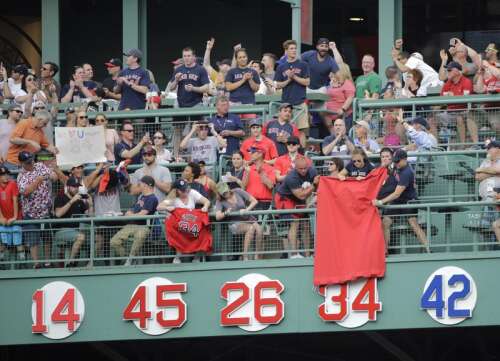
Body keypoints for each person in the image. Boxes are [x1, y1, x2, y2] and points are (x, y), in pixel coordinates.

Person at [373, 149, 430, 253]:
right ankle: (385, 251)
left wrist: (381, 202)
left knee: (413, 223)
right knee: (385, 222)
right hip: (398, 201)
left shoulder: (407, 172)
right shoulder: (396, 166)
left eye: (398, 161)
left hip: (409, 201)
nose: (396, 163)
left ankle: (428, 249)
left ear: (405, 159)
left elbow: (396, 193)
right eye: (395, 161)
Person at [17, 151, 64, 268]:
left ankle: (47, 262)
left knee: (47, 238)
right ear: (22, 163)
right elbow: (25, 192)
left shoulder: (40, 166)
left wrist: (53, 173)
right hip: (31, 214)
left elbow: (53, 177)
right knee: (33, 240)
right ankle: (36, 263)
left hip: (45, 212)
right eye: (28, 162)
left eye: (32, 160)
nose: (31, 163)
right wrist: (37, 180)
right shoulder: (21, 176)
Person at [275, 156, 319, 258]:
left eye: (305, 168)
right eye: (300, 169)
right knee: (294, 222)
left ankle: (308, 255)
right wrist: (313, 185)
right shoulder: (291, 177)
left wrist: (313, 199)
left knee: (306, 224)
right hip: (285, 198)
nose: (303, 171)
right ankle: (294, 254)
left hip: (299, 199)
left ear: (308, 166)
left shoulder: (312, 171)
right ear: (296, 168)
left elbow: (318, 185)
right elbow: (301, 195)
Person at [157, 178, 210, 264]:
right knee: (177, 229)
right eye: (183, 190)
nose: (186, 191)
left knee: (203, 230)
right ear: (177, 191)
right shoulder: (172, 197)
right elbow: (159, 207)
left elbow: (206, 201)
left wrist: (205, 207)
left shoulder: (192, 192)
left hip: (193, 223)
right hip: (180, 225)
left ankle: (197, 257)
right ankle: (178, 256)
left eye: (186, 189)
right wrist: (167, 207)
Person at [110, 175, 158, 266]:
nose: (139, 185)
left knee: (139, 237)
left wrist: (131, 215)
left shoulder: (152, 198)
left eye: (141, 183)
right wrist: (130, 213)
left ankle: (130, 259)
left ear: (146, 185)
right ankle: (128, 258)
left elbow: (143, 214)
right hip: (132, 225)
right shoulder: (141, 197)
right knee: (114, 241)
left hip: (144, 226)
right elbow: (131, 210)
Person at [274, 40, 311, 145]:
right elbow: (277, 85)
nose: (294, 50)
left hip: (300, 101)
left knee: (302, 131)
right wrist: (288, 80)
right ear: (286, 51)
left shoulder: (303, 65)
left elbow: (307, 82)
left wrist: (294, 76)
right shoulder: (281, 67)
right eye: (291, 48)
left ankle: (302, 153)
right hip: (286, 104)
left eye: (295, 48)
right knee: (286, 130)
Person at [215, 182, 261, 260]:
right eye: (223, 193)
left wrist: (246, 210)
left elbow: (254, 201)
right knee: (250, 228)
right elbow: (217, 216)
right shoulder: (219, 201)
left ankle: (257, 256)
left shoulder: (238, 191)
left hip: (248, 218)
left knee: (259, 231)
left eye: (226, 191)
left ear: (228, 189)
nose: (225, 194)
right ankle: (245, 257)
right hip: (234, 223)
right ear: (219, 194)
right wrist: (225, 213)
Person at [53, 176, 92, 267]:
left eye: (77, 187)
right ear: (68, 187)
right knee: (81, 237)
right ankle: (70, 262)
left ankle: (85, 265)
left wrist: (90, 205)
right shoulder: (60, 197)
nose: (76, 189)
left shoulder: (79, 200)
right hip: (61, 231)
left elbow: (90, 216)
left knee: (91, 240)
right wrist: (71, 201)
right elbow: (58, 214)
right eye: (74, 186)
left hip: (75, 231)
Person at [440, 61, 478, 145]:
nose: (447, 72)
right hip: (450, 112)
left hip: (464, 111)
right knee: (432, 119)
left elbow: (465, 99)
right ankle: (435, 148)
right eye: (447, 70)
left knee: (459, 118)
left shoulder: (466, 81)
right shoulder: (448, 82)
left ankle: (463, 145)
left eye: (450, 70)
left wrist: (452, 96)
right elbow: (442, 98)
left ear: (458, 71)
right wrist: (452, 97)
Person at [376, 147, 398, 252]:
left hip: (392, 204)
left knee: (385, 222)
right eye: (383, 157)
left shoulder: (397, 170)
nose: (385, 159)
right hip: (377, 204)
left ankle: (385, 250)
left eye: (387, 156)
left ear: (392, 158)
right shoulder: (376, 170)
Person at [242, 145, 276, 209]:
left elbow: (270, 186)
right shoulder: (248, 169)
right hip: (250, 202)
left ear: (260, 154)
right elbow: (243, 186)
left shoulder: (270, 169)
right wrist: (247, 173)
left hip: (264, 203)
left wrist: (261, 172)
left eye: (253, 152)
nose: (250, 154)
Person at [0, 166, 23, 262]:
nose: (6, 176)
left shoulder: (13, 183)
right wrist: (1, 218)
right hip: (4, 219)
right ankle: (2, 262)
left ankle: (23, 262)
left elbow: (15, 201)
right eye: (2, 175)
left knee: (18, 241)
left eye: (7, 174)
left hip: (15, 218)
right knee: (3, 242)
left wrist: (14, 217)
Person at [324, 64, 355, 131]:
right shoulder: (332, 83)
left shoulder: (347, 83)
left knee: (342, 136)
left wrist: (342, 109)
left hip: (343, 117)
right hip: (331, 118)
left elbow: (350, 97)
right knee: (334, 138)